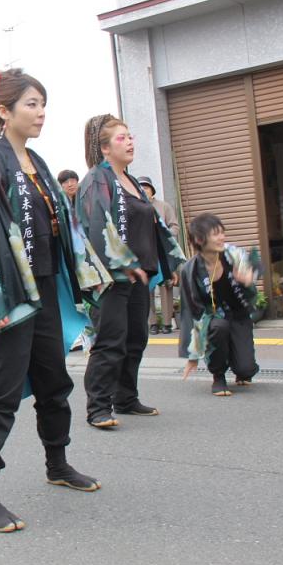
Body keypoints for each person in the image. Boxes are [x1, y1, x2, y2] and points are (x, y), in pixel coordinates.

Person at [0, 67, 111, 533]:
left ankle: (57, 463)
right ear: (3, 111)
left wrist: (89, 272)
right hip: (9, 293)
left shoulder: (39, 164)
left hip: (45, 287)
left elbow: (64, 225)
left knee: (53, 380)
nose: (41, 112)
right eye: (31, 104)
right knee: (0, 393)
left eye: (43, 103)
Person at [77, 115, 186, 430]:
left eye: (130, 135)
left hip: (140, 274)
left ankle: (126, 397)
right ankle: (98, 406)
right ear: (105, 148)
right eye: (122, 137)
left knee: (136, 337)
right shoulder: (97, 179)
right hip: (111, 277)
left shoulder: (133, 181)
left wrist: (168, 266)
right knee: (110, 340)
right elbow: (94, 226)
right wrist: (122, 262)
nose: (130, 141)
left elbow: (155, 227)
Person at [178, 214, 260, 396]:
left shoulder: (233, 256)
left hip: (238, 315)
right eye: (216, 234)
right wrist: (192, 355)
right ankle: (218, 376)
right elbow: (190, 311)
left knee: (246, 370)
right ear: (200, 239)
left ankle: (238, 362)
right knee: (219, 327)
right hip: (213, 320)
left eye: (222, 232)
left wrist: (248, 280)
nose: (222, 237)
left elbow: (255, 266)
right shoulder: (190, 270)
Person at [137, 176, 181, 335]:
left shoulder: (164, 206)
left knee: (165, 285)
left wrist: (165, 236)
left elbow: (174, 226)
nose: (144, 190)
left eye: (146, 187)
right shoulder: (136, 207)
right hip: (144, 253)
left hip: (162, 251)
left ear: (152, 189)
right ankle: (152, 323)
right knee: (147, 286)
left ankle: (167, 322)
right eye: (140, 187)